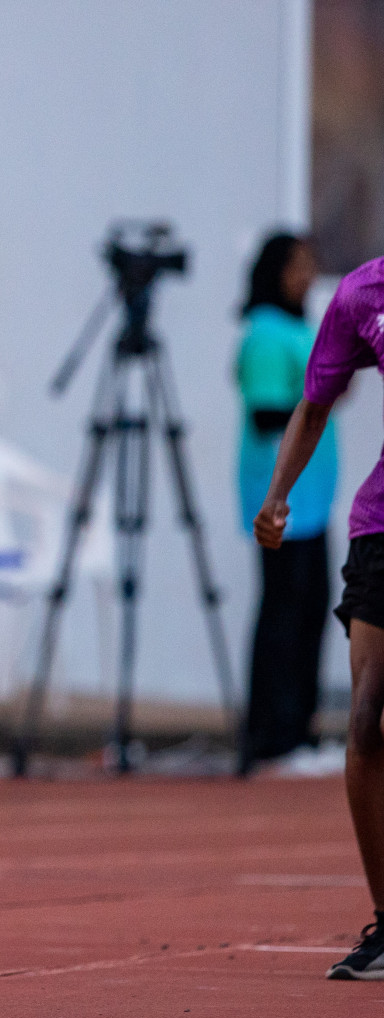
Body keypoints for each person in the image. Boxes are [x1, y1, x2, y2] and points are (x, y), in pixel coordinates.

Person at [256, 255, 384, 980]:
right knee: (367, 721)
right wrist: (279, 494)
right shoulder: (364, 292)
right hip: (381, 530)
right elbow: (315, 401)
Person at [236, 233, 336, 773]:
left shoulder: (300, 328)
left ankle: (299, 725)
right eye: (297, 265)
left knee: (312, 606)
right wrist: (320, 399)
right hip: (278, 500)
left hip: (313, 499)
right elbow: (266, 415)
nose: (307, 275)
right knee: (283, 608)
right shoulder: (265, 335)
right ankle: (270, 731)